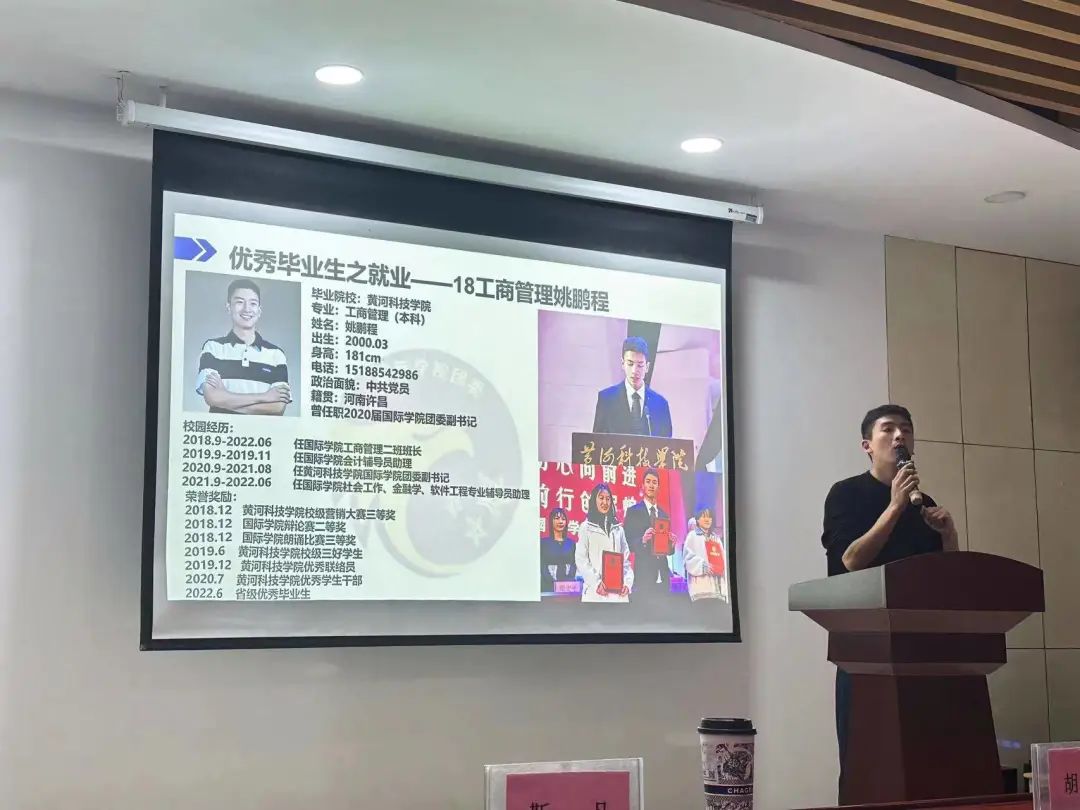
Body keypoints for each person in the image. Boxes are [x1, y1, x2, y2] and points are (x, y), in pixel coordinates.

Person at [822, 404, 959, 793]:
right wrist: (895, 506)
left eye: (907, 429)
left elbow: (947, 579)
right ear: (867, 444)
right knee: (866, 766)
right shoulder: (846, 494)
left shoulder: (922, 501)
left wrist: (948, 535)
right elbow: (850, 561)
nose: (900, 436)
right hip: (864, 650)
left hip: (921, 649)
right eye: (888, 429)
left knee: (923, 766)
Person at [196, 279, 291, 415]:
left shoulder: (276, 354)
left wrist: (225, 399)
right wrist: (265, 397)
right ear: (228, 307)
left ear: (259, 310)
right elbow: (212, 398)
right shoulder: (213, 348)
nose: (247, 309)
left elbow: (278, 407)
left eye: (253, 303)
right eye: (240, 302)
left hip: (262, 429)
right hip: (224, 428)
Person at [592, 336, 673, 437]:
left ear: (647, 367)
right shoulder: (607, 399)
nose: (634, 371)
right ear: (623, 364)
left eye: (640, 365)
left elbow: (667, 443)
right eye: (630, 364)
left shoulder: (660, 404)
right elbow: (597, 441)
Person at [622, 468, 676, 599]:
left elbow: (667, 551)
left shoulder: (663, 515)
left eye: (654, 482)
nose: (651, 485)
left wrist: (672, 545)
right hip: (644, 575)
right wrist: (643, 540)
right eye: (648, 481)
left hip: (663, 575)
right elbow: (627, 544)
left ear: (658, 487)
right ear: (643, 486)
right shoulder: (633, 512)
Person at [575, 483, 633, 603]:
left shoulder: (618, 529)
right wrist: (596, 583)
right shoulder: (586, 528)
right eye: (601, 498)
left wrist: (627, 583)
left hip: (618, 594)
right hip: (595, 593)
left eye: (608, 499)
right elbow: (581, 560)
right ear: (594, 501)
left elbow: (625, 561)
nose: (605, 502)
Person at [683, 505, 728, 602]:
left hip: (718, 589)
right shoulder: (692, 536)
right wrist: (704, 566)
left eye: (709, 517)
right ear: (697, 519)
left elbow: (723, 558)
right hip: (701, 589)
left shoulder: (716, 538)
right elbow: (688, 559)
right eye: (704, 517)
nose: (707, 519)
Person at [540, 507, 576, 593]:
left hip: (568, 588)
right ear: (551, 521)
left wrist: (567, 582)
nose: (560, 522)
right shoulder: (543, 543)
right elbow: (542, 565)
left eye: (563, 519)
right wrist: (553, 584)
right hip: (548, 587)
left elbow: (574, 564)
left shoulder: (571, 543)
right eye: (557, 518)